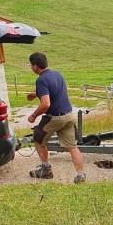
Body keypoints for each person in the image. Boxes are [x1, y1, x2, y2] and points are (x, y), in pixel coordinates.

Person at [26, 52, 86, 183]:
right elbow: (55, 90)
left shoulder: (41, 80)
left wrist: (33, 116)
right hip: (69, 115)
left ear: (35, 66)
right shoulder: (57, 74)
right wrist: (36, 94)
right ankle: (81, 174)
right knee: (72, 147)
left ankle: (45, 170)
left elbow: (46, 104)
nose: (31, 67)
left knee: (38, 139)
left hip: (55, 117)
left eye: (31, 65)